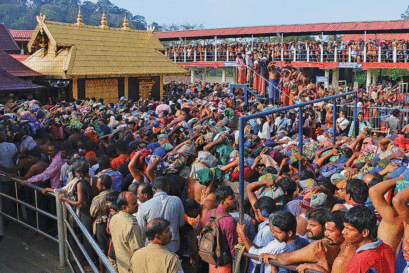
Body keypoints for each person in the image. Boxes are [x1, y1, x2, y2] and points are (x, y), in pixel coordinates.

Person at [137, 176, 185, 253]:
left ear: (153, 190)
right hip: (172, 245)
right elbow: (181, 223)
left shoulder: (145, 206)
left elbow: (141, 229)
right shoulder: (177, 201)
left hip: (152, 246)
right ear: (167, 188)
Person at [343, 206, 395, 273]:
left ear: (364, 233)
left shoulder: (361, 260)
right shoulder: (386, 248)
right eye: (344, 227)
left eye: (349, 229)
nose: (343, 232)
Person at [204, 186, 238, 273]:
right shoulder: (228, 221)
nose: (235, 200)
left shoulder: (209, 214)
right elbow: (233, 247)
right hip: (224, 263)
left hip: (211, 259)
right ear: (223, 202)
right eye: (231, 198)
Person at [110, 192, 145, 273]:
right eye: (134, 204)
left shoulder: (114, 218)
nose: (137, 205)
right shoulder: (132, 225)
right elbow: (136, 253)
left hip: (122, 267)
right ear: (124, 207)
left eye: (136, 202)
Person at [90, 175, 113, 270]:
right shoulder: (116, 194)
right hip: (113, 223)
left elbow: (92, 213)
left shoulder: (98, 199)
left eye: (98, 184)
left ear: (103, 186)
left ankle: (102, 270)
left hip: (101, 224)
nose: (96, 185)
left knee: (102, 249)